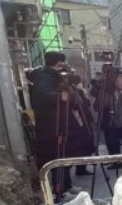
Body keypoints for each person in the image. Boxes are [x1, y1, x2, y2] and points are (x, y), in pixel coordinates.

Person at [25, 51, 89, 196]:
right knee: (57, 156)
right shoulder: (44, 77)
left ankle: (67, 184)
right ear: (58, 62)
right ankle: (59, 188)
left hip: (60, 122)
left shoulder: (52, 76)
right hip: (52, 125)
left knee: (63, 155)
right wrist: (62, 96)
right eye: (62, 63)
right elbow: (43, 96)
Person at [68, 72, 96, 177]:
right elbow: (76, 106)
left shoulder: (78, 92)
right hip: (78, 124)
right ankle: (80, 168)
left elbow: (86, 105)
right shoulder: (72, 92)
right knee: (81, 147)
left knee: (85, 146)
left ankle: (82, 168)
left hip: (84, 122)